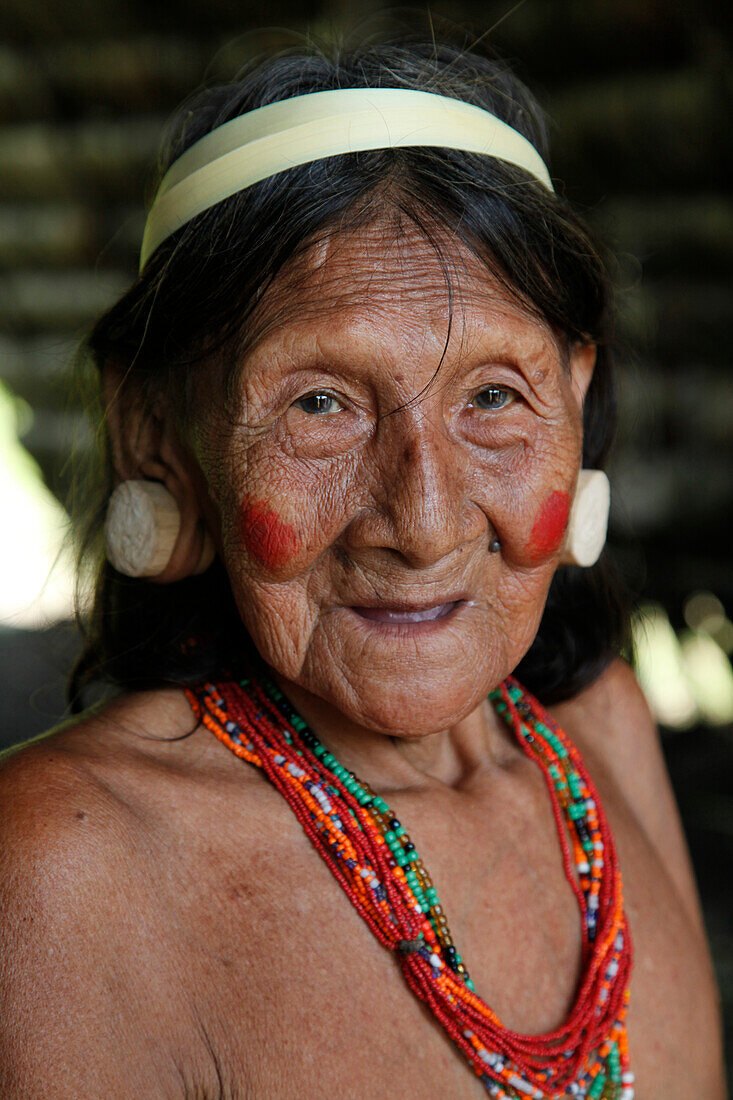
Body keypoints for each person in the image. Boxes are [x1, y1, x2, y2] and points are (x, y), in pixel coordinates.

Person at [0, 27, 725, 1099]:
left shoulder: (606, 736)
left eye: (492, 397)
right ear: (154, 430)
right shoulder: (70, 870)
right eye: (320, 404)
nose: (422, 522)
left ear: (574, 399)